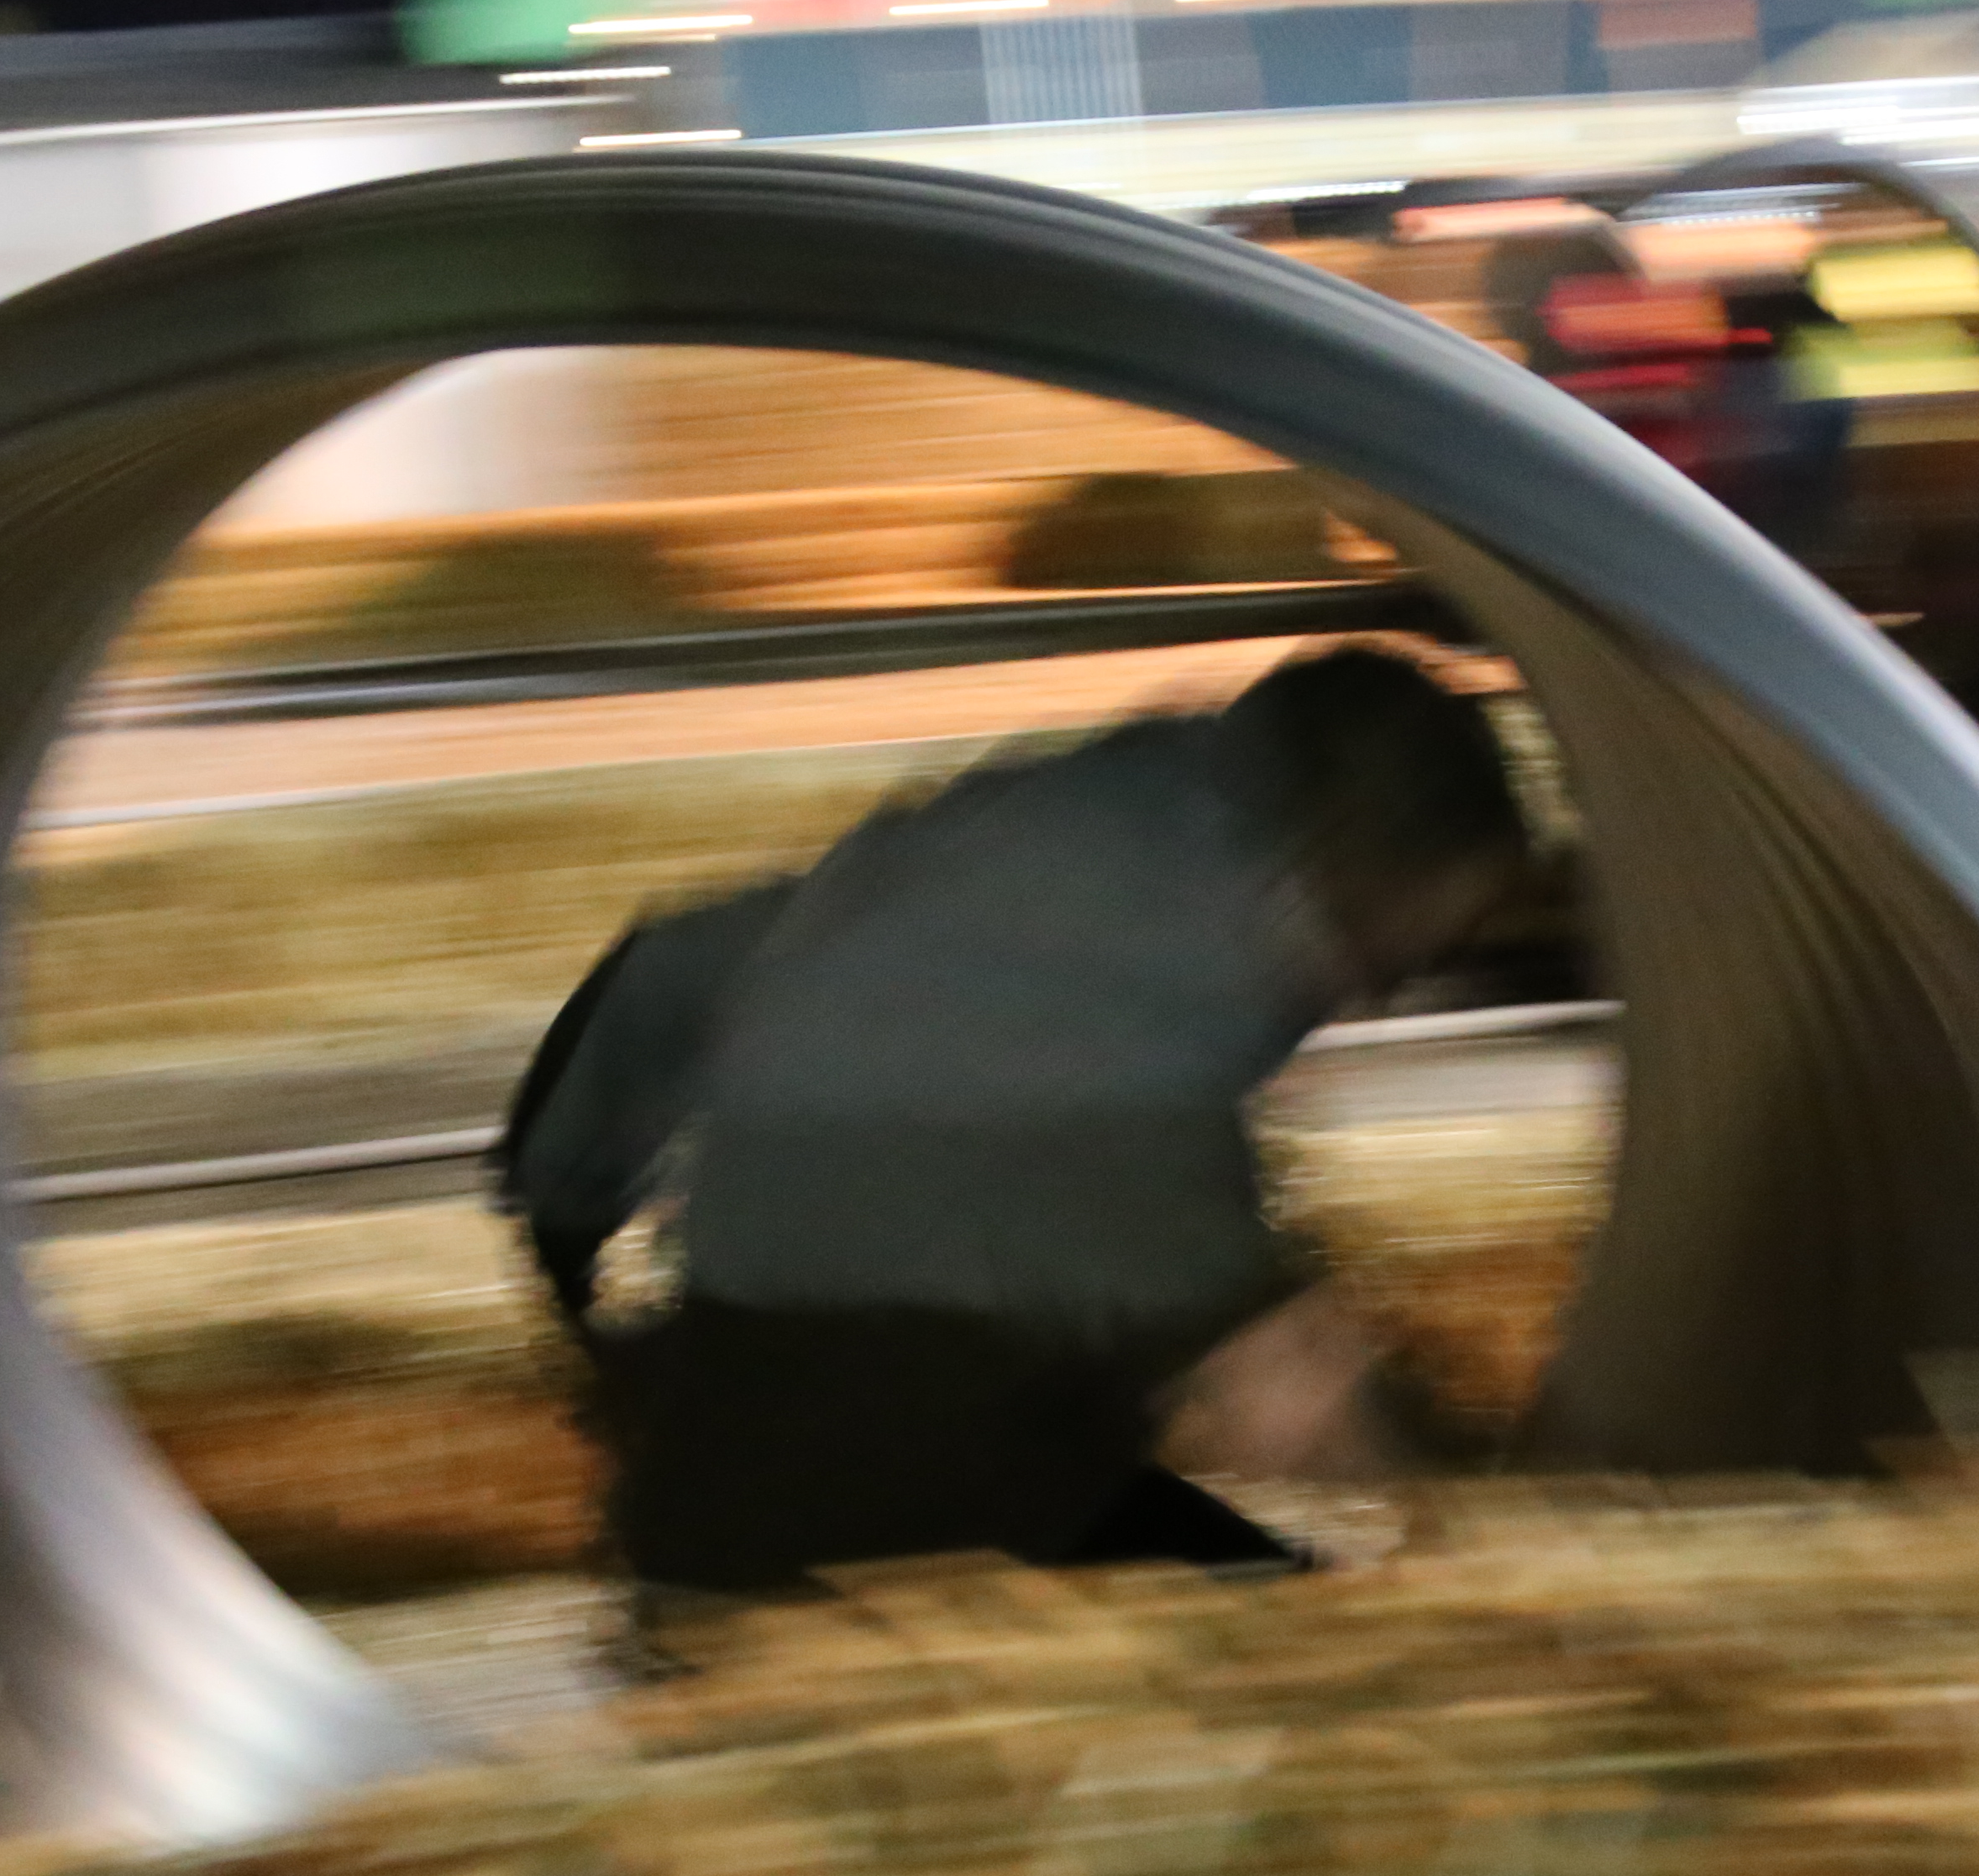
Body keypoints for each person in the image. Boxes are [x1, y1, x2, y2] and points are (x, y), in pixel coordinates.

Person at [501, 641, 1537, 1598]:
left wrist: (567, 1230)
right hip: (855, 1508)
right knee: (1297, 1656)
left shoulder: (1068, 820)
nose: (1375, 1001)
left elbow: (668, 966)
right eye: (1402, 953)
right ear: (1359, 865)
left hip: (757, 1436)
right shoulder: (1153, 1004)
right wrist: (1509, 1546)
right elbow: (1286, 1405)